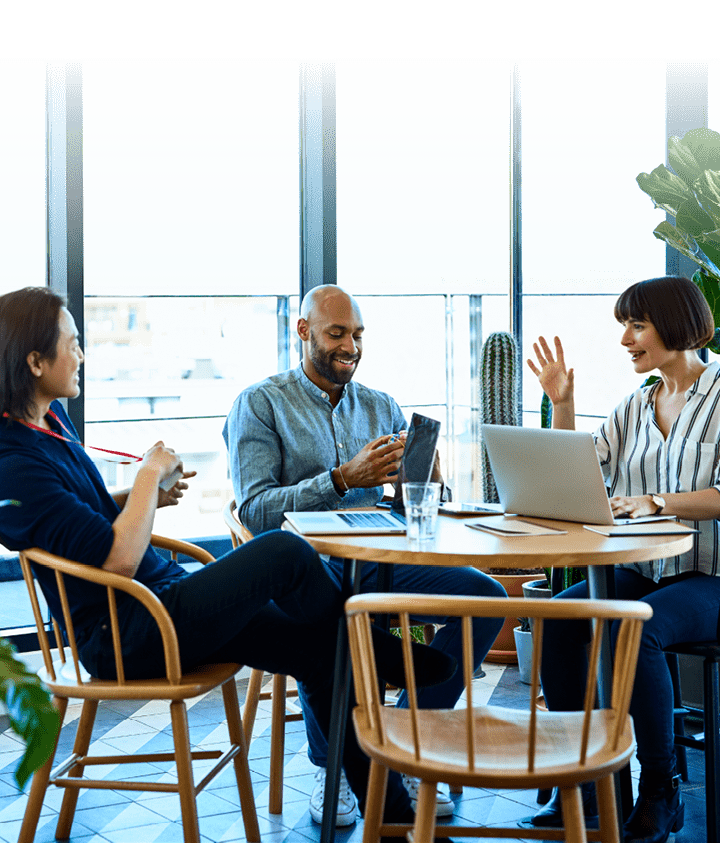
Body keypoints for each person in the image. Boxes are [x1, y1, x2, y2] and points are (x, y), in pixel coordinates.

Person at [0, 286, 456, 830]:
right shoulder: (13, 460)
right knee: (283, 550)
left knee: (324, 655)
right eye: (72, 345)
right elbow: (117, 559)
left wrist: (143, 501)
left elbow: (87, 520)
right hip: (125, 632)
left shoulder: (50, 427)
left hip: (160, 597)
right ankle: (372, 645)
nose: (81, 356)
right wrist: (146, 476)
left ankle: (395, 824)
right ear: (34, 361)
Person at [223, 284, 506, 825]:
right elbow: (257, 509)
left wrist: (427, 484)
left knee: (486, 598)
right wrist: (340, 478)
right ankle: (338, 770)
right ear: (303, 331)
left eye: (356, 335)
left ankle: (403, 745)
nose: (350, 345)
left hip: (384, 557)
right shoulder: (259, 404)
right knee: (324, 614)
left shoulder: (381, 406)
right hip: (305, 568)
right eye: (336, 334)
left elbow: (413, 508)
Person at [526, 275, 720, 843]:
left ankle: (662, 790)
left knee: (638, 630)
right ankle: (588, 789)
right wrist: (562, 403)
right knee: (560, 620)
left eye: (636, 325)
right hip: (644, 572)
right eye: (624, 328)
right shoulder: (635, 406)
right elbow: (574, 469)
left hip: (708, 578)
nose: (626, 340)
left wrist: (658, 500)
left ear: (676, 325)